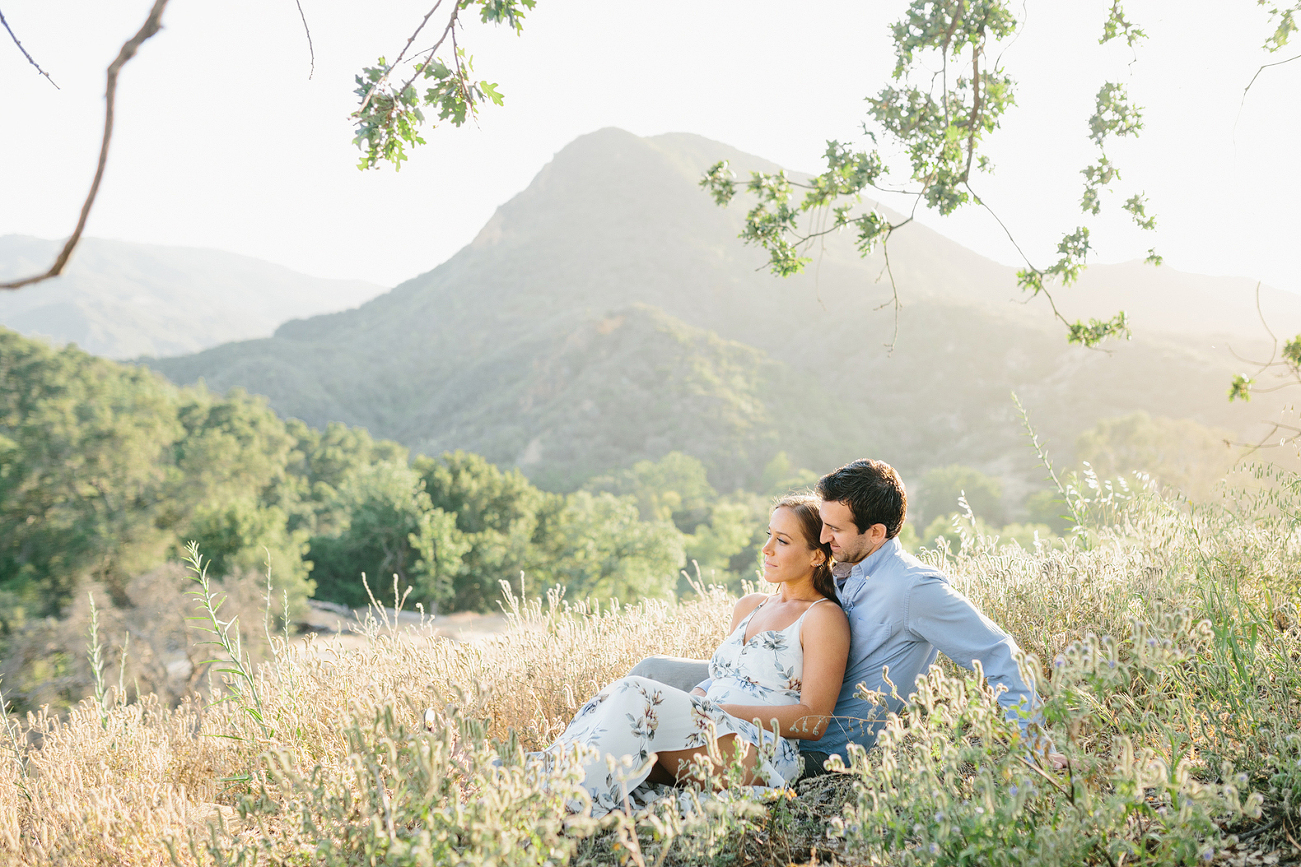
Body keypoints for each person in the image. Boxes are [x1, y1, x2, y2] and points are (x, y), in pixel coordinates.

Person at [634, 458, 1060, 777]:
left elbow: (996, 651)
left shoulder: (912, 589)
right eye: (823, 524)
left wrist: (1036, 742)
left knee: (652, 719)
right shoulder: (842, 564)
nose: (823, 537)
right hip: (774, 689)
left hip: (815, 740)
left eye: (835, 529)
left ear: (876, 532)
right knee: (650, 671)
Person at [533, 495, 850, 816]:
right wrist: (697, 701)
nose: (767, 548)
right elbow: (721, 678)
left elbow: (814, 720)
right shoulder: (749, 605)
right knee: (614, 711)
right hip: (708, 728)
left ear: (816, 556)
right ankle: (544, 787)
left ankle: (562, 812)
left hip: (759, 751)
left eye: (782, 541)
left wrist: (717, 711)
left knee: (635, 692)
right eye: (768, 535)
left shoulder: (822, 617)